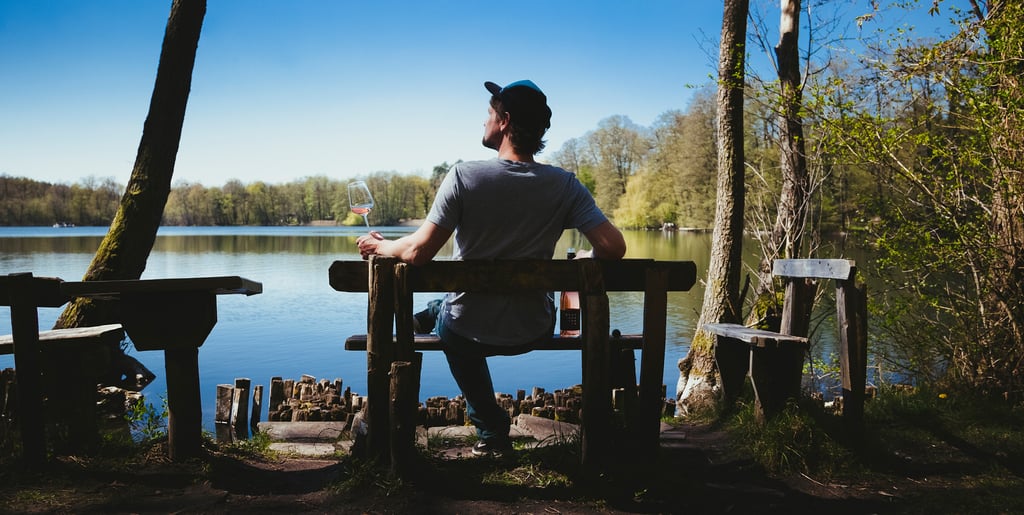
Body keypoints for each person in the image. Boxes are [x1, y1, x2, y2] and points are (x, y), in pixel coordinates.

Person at [356, 79, 626, 457]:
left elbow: (418, 252)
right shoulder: (565, 185)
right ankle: (431, 318)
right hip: (534, 325)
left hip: (467, 329)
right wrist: (586, 259)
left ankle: (490, 427)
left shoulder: (464, 176)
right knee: (448, 311)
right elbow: (614, 247)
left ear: (505, 121)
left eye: (488, 113)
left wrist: (382, 246)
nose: (483, 121)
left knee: (450, 321)